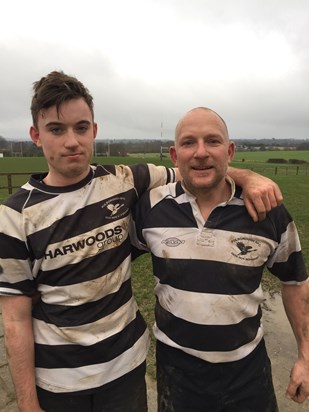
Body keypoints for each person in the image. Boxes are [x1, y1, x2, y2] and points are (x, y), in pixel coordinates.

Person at [0, 72, 282, 412]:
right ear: (35, 135)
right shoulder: (14, 216)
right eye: (56, 129)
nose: (72, 141)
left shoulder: (126, 181)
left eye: (81, 127)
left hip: (126, 368)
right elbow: (14, 320)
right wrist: (28, 404)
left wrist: (250, 177)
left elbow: (196, 169)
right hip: (59, 381)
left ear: (94, 130)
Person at [132, 107, 309, 411]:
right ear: (175, 155)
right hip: (177, 370)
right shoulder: (150, 208)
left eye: (212, 141)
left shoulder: (267, 211)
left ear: (229, 151)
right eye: (189, 143)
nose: (200, 152)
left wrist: (306, 355)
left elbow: (294, 282)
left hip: (247, 370)